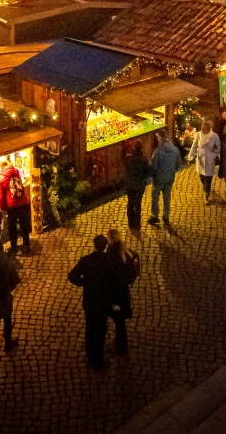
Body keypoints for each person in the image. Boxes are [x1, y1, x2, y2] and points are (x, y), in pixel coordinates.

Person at [67, 235, 118, 368]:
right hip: (103, 301)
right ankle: (99, 358)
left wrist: (84, 282)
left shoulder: (86, 260)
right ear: (105, 246)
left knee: (90, 329)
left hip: (89, 300)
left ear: (94, 245)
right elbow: (114, 280)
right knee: (101, 330)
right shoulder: (109, 261)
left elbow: (72, 275)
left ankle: (90, 357)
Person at [105, 230, 140, 353]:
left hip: (116, 296)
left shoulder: (112, 255)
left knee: (118, 319)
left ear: (112, 240)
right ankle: (118, 342)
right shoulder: (124, 252)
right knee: (119, 320)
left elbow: (109, 273)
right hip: (122, 293)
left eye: (108, 238)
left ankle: (121, 346)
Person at [0, 160, 32, 253]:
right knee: (24, 224)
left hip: (11, 205)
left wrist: (2, 208)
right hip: (22, 202)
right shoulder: (16, 171)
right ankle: (26, 244)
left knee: (12, 226)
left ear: (0, 167)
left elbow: (0, 196)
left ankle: (14, 246)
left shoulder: (0, 178)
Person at [149, 132, 180, 228]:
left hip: (158, 179)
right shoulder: (175, 150)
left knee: (155, 197)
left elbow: (154, 167)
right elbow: (178, 165)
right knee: (167, 198)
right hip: (169, 178)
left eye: (158, 138)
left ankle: (155, 216)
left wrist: (152, 175)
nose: (157, 139)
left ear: (161, 138)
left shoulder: (157, 151)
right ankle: (166, 216)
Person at [122, 140, 152, 232]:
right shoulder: (144, 160)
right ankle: (137, 223)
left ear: (134, 148)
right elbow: (148, 173)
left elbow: (125, 166)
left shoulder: (128, 158)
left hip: (130, 184)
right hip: (139, 185)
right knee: (137, 204)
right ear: (142, 149)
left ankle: (130, 223)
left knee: (130, 203)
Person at [193, 119, 221, 204]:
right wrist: (191, 155)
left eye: (204, 130)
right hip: (200, 161)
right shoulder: (198, 134)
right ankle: (205, 189)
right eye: (202, 129)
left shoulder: (214, 136)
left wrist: (213, 156)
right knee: (202, 177)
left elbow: (218, 148)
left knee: (208, 179)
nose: (203, 131)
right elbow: (194, 146)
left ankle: (206, 197)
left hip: (210, 161)